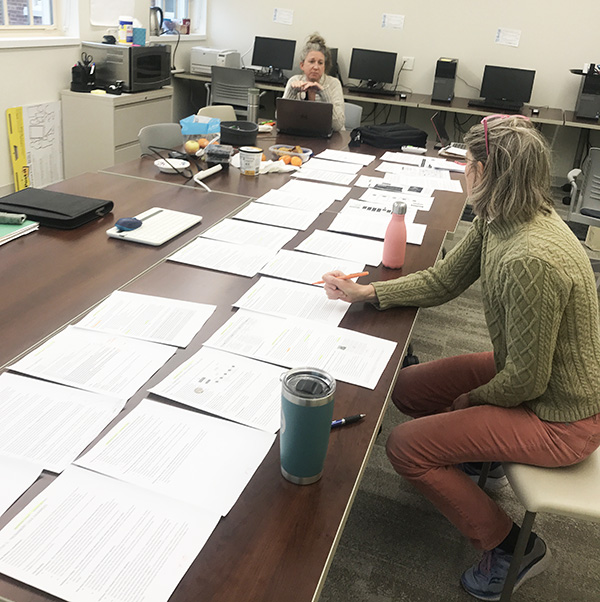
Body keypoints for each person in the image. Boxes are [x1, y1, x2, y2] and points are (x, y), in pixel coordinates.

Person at [322, 115, 600, 600]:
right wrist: (367, 292)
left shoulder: (530, 255)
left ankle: (515, 546)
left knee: (406, 447)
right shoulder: (503, 216)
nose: (461, 172)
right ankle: (475, 455)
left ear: (486, 171)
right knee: (407, 388)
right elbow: (445, 279)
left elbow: (527, 382)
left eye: (466, 163)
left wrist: (470, 401)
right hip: (534, 375)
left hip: (562, 416)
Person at [282, 33, 345, 132]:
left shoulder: (334, 84)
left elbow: (338, 125)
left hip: (329, 138)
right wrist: (292, 92)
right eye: (311, 62)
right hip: (301, 134)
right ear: (302, 65)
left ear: (324, 67)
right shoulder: (294, 81)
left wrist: (324, 94)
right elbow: (281, 120)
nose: (316, 67)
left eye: (320, 63)